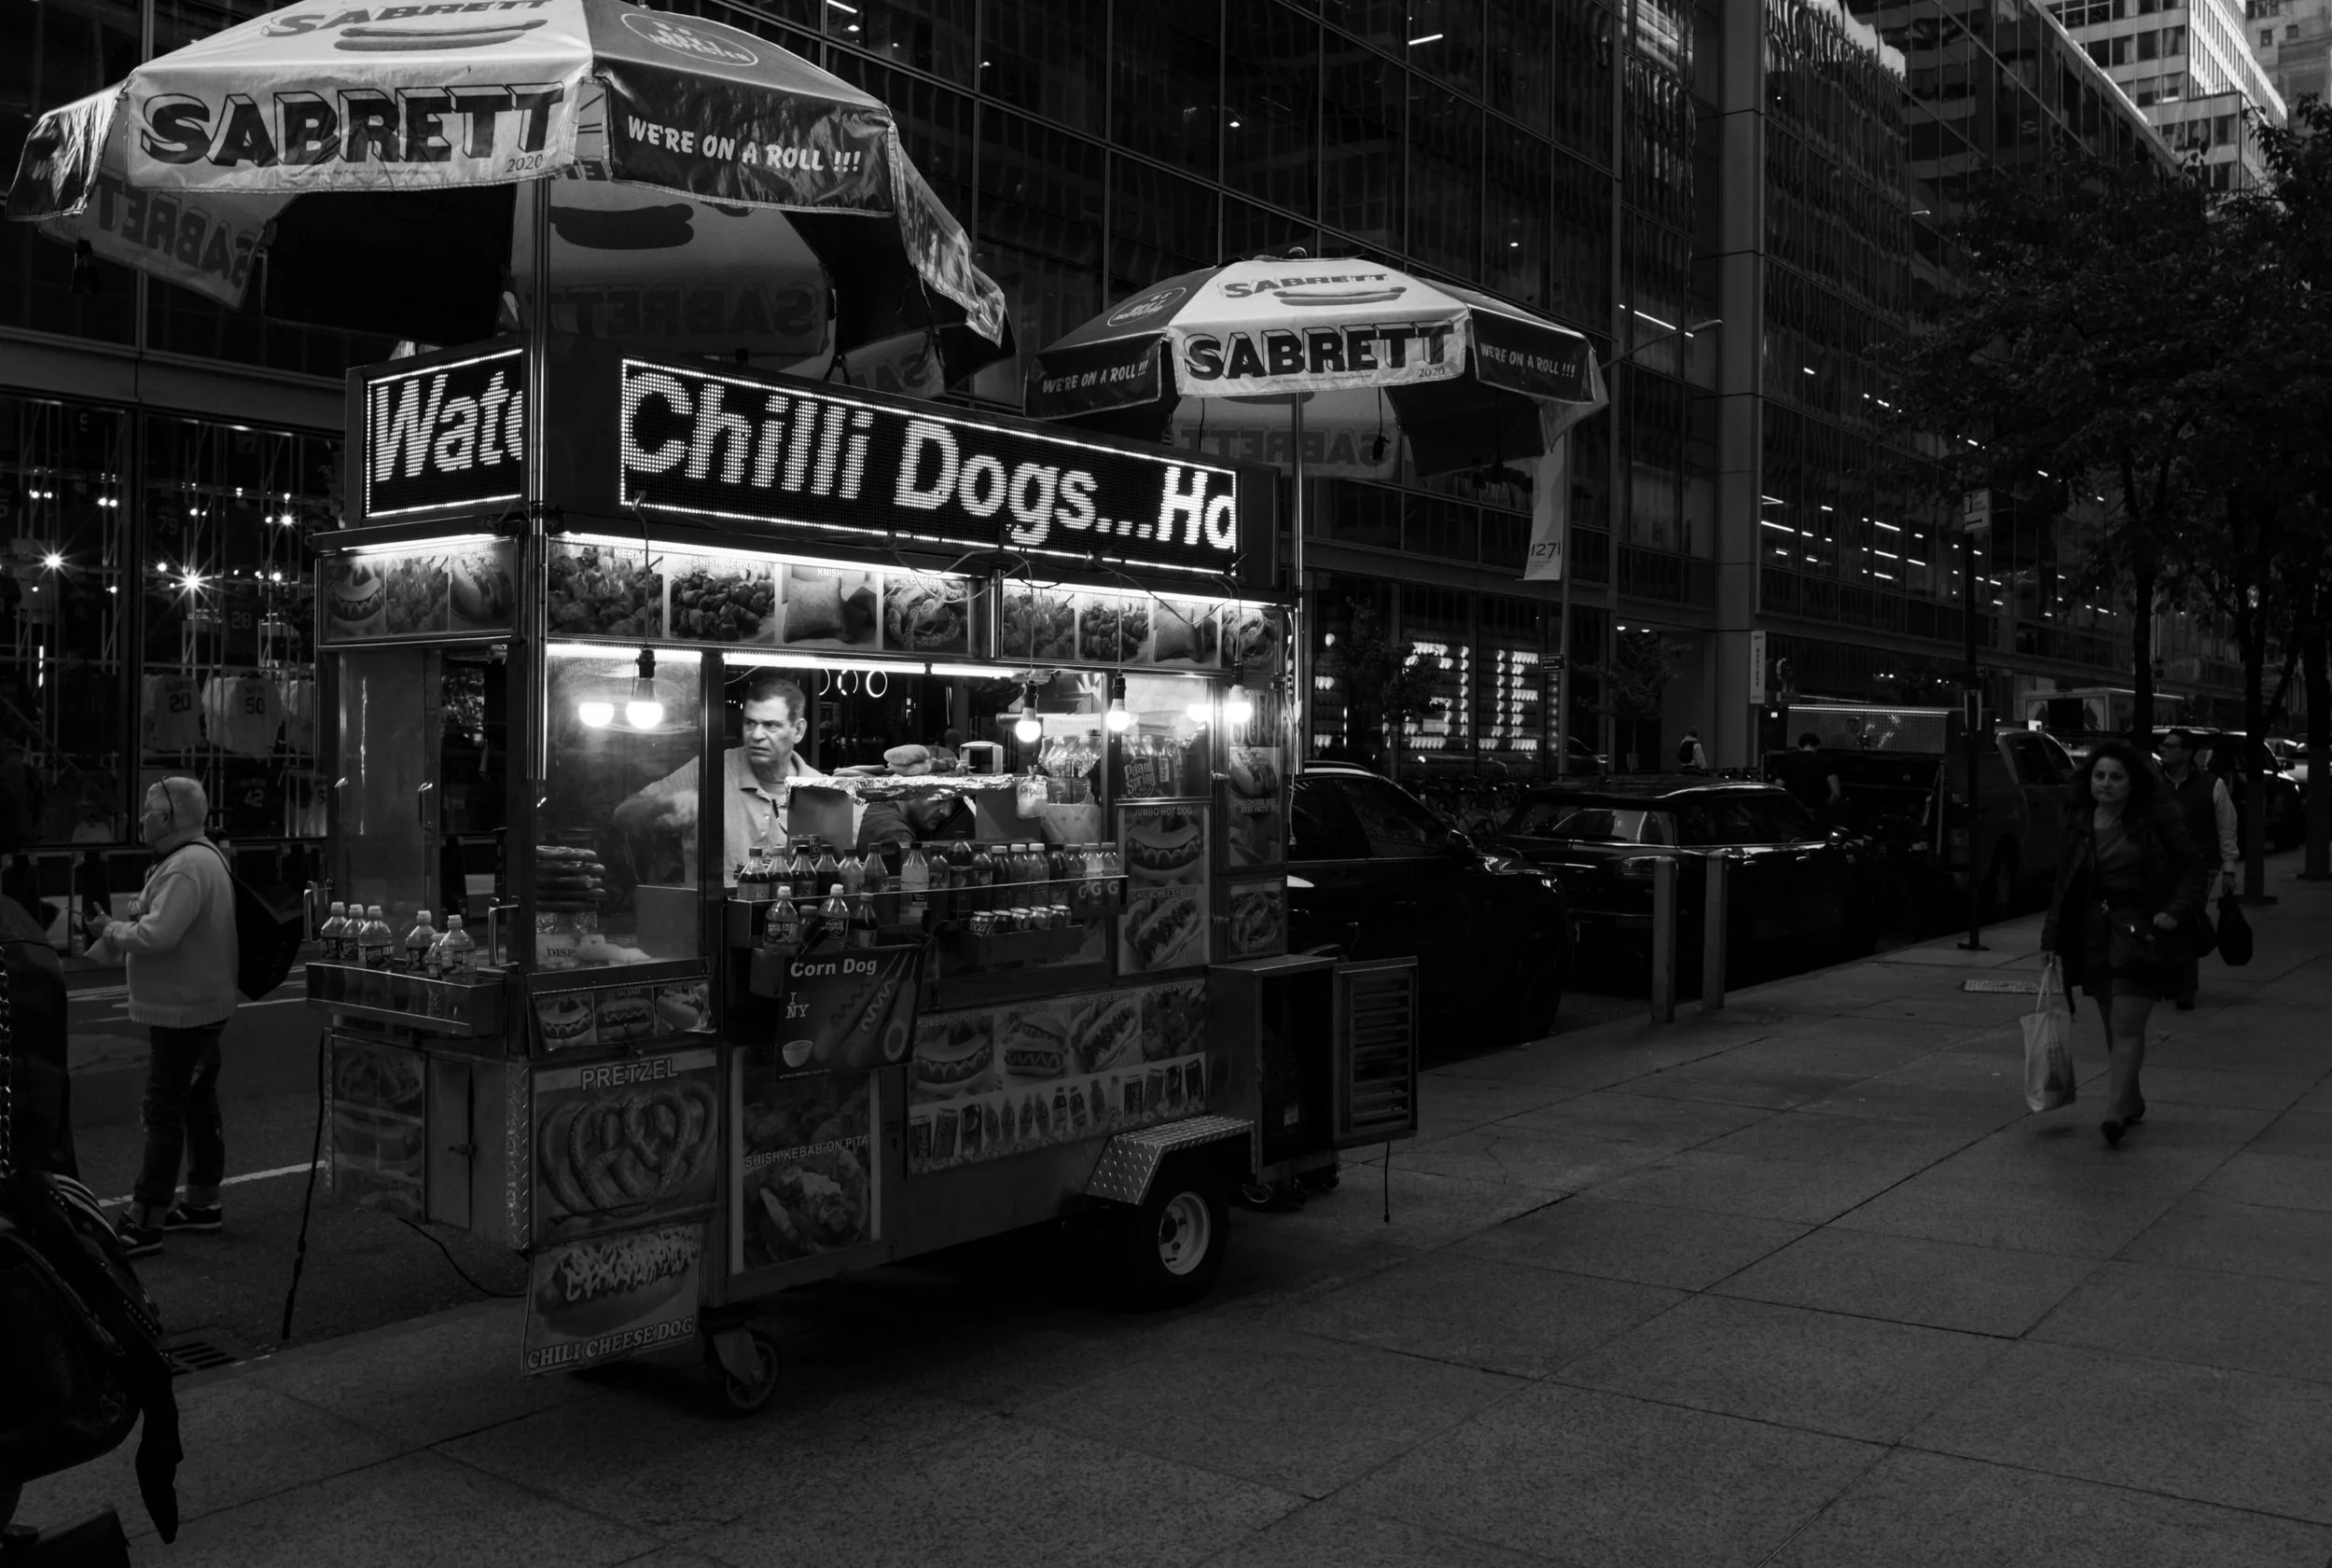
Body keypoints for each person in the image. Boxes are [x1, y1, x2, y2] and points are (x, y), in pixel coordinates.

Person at [82, 777, 240, 1256]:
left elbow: (159, 936)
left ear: (169, 817)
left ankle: (145, 1219)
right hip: (201, 1004)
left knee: (163, 1111)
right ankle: (202, 1202)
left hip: (183, 1013)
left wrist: (111, 928)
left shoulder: (185, 867)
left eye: (148, 812)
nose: (142, 819)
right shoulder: (199, 856)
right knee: (195, 1104)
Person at [2040, 739, 2206, 1148]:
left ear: (2133, 783)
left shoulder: (2156, 820)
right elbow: (2065, 884)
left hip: (2142, 931)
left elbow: (2192, 867)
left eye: (2116, 777)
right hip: (2094, 932)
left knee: (2127, 1023)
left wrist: (2175, 910)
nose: (2107, 784)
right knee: (2112, 1019)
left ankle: (2114, 1113)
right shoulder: (2080, 821)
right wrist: (2051, 938)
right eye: (2099, 776)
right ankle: (2130, 1098)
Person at [613, 670, 827, 887]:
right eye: (750, 723)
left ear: (798, 730)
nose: (756, 735)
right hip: (713, 919)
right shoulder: (709, 770)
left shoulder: (823, 791)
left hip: (788, 916)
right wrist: (662, 804)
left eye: (771, 725)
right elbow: (623, 816)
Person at [2158, 728, 2237, 1011]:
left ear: (2188, 753)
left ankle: (2185, 987)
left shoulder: (2211, 785)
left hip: (2201, 868)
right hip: (2160, 867)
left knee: (2184, 921)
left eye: (2170, 746)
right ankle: (2170, 979)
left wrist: (2229, 870)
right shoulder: (2155, 785)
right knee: (2163, 922)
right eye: (2163, 745)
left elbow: (2226, 829)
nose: (2164, 750)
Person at [1775, 732, 1844, 820]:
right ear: (1818, 746)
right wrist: (1825, 808)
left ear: (1799, 747)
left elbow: (1778, 788)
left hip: (1793, 811)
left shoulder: (1788, 761)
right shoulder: (1825, 761)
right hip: (1817, 810)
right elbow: (1836, 793)